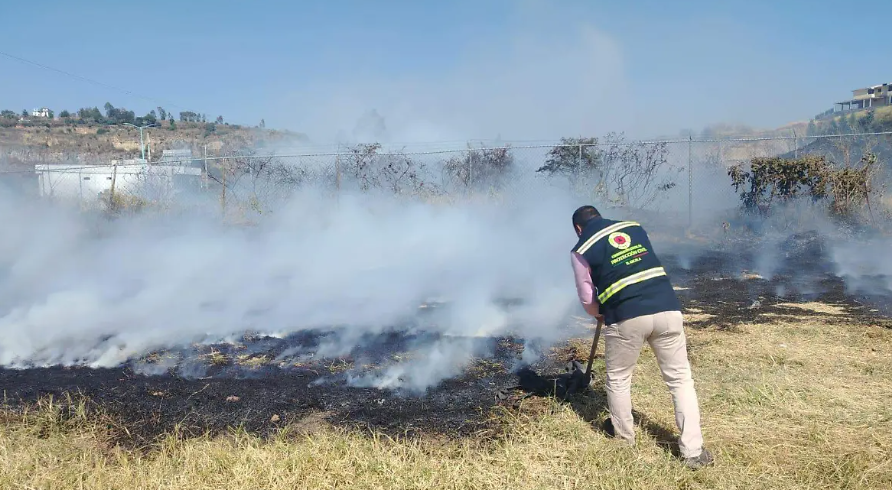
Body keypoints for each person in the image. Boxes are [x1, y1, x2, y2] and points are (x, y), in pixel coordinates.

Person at [569, 204, 714, 470]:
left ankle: (624, 440)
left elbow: (587, 295)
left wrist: (598, 313)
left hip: (626, 316)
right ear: (600, 217)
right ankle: (693, 451)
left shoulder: (581, 248)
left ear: (578, 229)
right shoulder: (633, 227)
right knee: (680, 379)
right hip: (667, 307)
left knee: (618, 379)